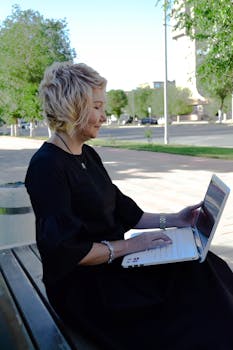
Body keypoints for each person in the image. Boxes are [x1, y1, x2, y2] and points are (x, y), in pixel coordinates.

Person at [25, 61, 233, 350]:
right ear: (72, 107)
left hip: (112, 266)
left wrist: (176, 219)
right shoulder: (46, 167)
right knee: (192, 289)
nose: (104, 116)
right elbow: (65, 250)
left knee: (202, 263)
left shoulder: (88, 156)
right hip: (84, 288)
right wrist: (131, 247)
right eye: (96, 107)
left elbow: (125, 212)